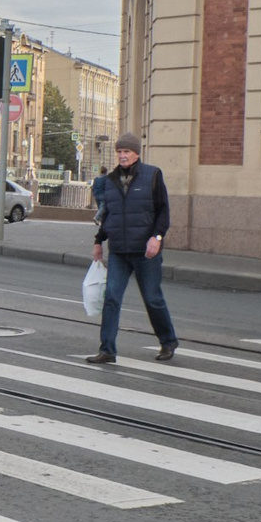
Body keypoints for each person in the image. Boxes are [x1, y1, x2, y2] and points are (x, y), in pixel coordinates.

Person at [86, 132, 177, 364]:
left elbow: (163, 212)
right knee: (111, 298)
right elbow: (108, 214)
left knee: (152, 298)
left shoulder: (152, 175)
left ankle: (168, 341)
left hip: (146, 251)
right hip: (119, 251)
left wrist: (157, 237)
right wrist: (98, 241)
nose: (122, 155)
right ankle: (107, 349)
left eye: (126, 151)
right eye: (119, 151)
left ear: (136, 153)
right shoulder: (110, 181)